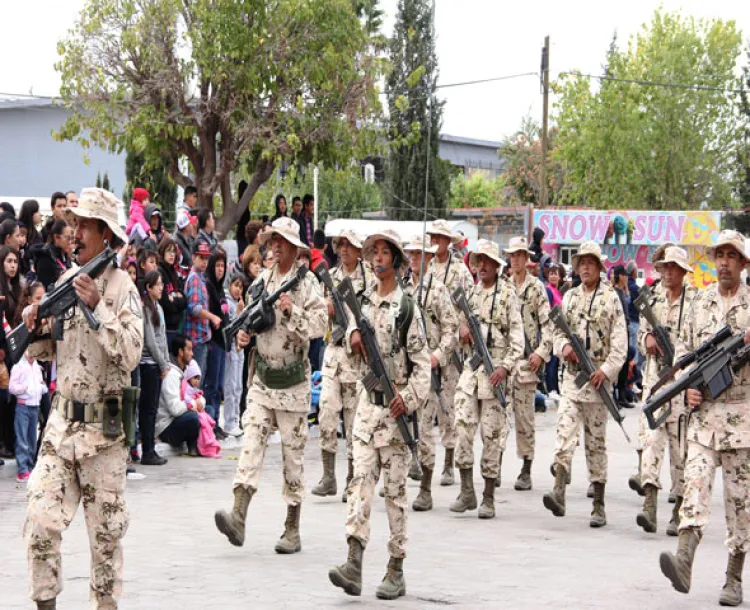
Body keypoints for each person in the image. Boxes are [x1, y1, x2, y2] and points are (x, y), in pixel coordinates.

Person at [22, 187, 143, 609]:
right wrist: (34, 324)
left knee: (105, 545)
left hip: (105, 433)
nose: (74, 233)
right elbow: (50, 349)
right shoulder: (64, 283)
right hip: (61, 427)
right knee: (39, 523)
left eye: (84, 225)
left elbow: (130, 353)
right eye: (73, 224)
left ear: (106, 235)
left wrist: (100, 310)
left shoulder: (124, 289)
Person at [214, 216, 326, 554]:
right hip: (262, 381)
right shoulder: (259, 284)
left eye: (283, 242)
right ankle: (238, 515)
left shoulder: (307, 286)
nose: (276, 246)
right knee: (250, 445)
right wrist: (245, 337)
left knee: (293, 459)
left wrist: (293, 313)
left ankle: (292, 528)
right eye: (273, 240)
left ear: (295, 249)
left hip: (292, 383)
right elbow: (251, 323)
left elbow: (321, 327)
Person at [328, 229, 430, 599]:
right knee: (360, 486)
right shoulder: (361, 300)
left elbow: (422, 365)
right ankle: (353, 561)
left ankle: (395, 567)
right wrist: (352, 335)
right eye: (374, 252)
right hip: (367, 410)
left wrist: (409, 397)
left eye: (385, 252)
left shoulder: (407, 307)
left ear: (397, 262)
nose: (377, 257)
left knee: (396, 495)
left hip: (395, 413)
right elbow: (347, 333)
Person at [659, 231, 750, 605]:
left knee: (740, 504)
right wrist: (686, 388)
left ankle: (733, 578)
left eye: (732, 256)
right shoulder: (700, 304)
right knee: (693, 487)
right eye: (720, 255)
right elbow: (683, 356)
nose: (725, 262)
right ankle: (684, 562)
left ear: (744, 263)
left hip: (743, 422)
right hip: (704, 417)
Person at [542, 241, 627, 528]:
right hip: (572, 381)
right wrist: (564, 348)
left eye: (591, 262)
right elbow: (555, 332)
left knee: (595, 445)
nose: (586, 267)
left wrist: (606, 370)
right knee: (564, 434)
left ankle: (599, 504)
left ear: (600, 267)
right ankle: (558, 491)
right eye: (582, 263)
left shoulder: (611, 299)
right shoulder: (570, 298)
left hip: (598, 384)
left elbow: (620, 345)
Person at [449, 240, 524, 519]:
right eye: (478, 261)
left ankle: (488, 495)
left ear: (496, 265)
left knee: (491, 435)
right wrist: (462, 329)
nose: (481, 266)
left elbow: (518, 339)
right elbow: (454, 325)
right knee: (463, 429)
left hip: (495, 373)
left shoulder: (507, 295)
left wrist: (504, 367)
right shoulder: (469, 294)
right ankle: (467, 490)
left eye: (486, 261)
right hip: (471, 371)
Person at [635, 246, 698, 536]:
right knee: (651, 442)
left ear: (684, 272)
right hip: (654, 384)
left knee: (680, 451)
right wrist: (647, 337)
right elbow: (638, 336)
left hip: (682, 386)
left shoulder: (695, 303)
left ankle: (679, 509)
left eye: (675, 267)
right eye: (665, 267)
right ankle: (649, 503)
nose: (669, 272)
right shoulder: (652, 300)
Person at [312, 230, 372, 502]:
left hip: (357, 360)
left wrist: (356, 326)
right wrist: (326, 308)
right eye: (340, 245)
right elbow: (319, 311)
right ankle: (328, 475)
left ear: (359, 250)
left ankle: (351, 477)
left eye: (349, 245)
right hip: (333, 356)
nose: (344, 250)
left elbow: (372, 312)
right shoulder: (331, 277)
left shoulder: (369, 277)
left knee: (353, 423)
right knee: (325, 410)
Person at [403, 235, 459, 511]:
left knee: (424, 427)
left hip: (429, 368)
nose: (413, 259)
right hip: (404, 368)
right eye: (410, 254)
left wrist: (438, 355)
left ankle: (425, 487)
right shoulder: (401, 289)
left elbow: (452, 328)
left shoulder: (438, 290)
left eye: (418, 254)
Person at [426, 219, 476, 481]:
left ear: (448, 242)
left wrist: (465, 324)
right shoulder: (425, 268)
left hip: (452, 347)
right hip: (426, 345)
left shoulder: (460, 270)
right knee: (423, 403)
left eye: (439, 237)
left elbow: (470, 302)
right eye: (432, 236)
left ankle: (448, 460)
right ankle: (421, 459)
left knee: (448, 404)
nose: (435, 241)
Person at [504, 236, 553, 492]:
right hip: (504, 362)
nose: (514, 259)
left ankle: (526, 468)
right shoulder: (504, 286)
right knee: (499, 416)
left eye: (518, 255)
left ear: (526, 259)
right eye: (511, 255)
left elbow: (548, 325)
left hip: (526, 361)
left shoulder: (536, 289)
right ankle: (494, 463)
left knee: (524, 418)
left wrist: (541, 353)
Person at [138, 270, 171, 466]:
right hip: (148, 364)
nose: (161, 288)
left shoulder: (158, 307)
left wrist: (166, 362)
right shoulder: (146, 309)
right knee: (148, 410)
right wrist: (161, 362)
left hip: (158, 364)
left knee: (153, 408)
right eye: (157, 285)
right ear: (148, 287)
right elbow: (150, 340)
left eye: (162, 284)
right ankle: (147, 450)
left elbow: (163, 338)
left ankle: (151, 448)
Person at [10, 326, 48, 483]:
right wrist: (24, 388)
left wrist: (42, 387)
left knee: (33, 438)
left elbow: (41, 385)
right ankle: (22, 468)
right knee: (22, 438)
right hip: (23, 405)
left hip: (35, 405)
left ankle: (31, 465)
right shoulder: (19, 366)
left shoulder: (37, 367)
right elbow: (12, 387)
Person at [156, 334, 201, 456]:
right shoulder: (171, 374)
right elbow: (175, 409)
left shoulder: (185, 371)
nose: (192, 354)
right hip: (166, 427)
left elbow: (195, 393)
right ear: (180, 352)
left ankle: (194, 445)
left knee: (209, 410)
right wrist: (192, 404)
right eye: (189, 349)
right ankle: (193, 447)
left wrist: (199, 402)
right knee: (192, 418)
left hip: (179, 418)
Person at [183, 241, 221, 376]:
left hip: (202, 339)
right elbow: (194, 308)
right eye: (201, 257)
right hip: (196, 341)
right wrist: (213, 317)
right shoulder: (194, 278)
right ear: (193, 258)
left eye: (206, 258)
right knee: (195, 383)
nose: (205, 261)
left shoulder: (200, 277)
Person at [204, 248, 229, 439]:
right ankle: (210, 423)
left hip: (223, 342)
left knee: (219, 386)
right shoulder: (209, 286)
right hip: (213, 340)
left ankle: (216, 422)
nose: (220, 270)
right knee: (211, 385)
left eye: (222, 266)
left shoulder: (220, 289)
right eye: (217, 265)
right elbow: (216, 314)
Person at [223, 274, 245, 437]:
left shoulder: (240, 303)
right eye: (236, 285)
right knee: (231, 385)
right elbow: (230, 326)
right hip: (230, 347)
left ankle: (236, 420)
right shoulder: (228, 303)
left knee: (238, 386)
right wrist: (238, 313)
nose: (238, 289)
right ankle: (229, 422)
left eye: (241, 287)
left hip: (240, 348)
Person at [157, 236, 187, 347]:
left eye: (174, 251)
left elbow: (185, 300)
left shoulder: (173, 272)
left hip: (176, 327)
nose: (172, 254)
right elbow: (165, 303)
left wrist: (174, 299)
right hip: (165, 328)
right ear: (162, 251)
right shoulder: (159, 272)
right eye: (168, 251)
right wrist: (176, 299)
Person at [173, 209, 196, 281]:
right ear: (186, 227)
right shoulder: (177, 242)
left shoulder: (189, 240)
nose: (192, 225)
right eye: (190, 223)